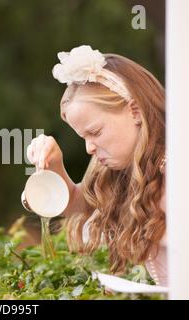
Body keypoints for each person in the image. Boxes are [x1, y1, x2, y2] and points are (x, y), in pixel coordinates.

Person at [27, 45, 167, 285]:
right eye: (84, 137)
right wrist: (54, 166)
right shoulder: (126, 170)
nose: (89, 148)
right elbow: (79, 204)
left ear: (134, 111)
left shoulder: (181, 171)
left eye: (95, 132)